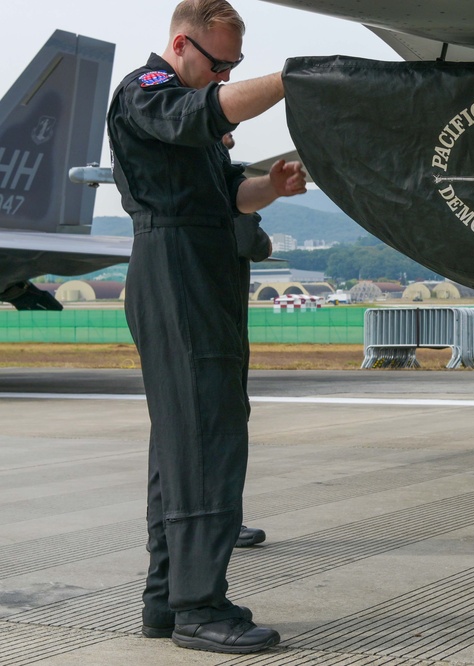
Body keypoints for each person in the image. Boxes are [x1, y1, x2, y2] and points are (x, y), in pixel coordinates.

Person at [107, 0, 306, 654]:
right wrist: (291, 80)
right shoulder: (148, 92)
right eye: (219, 64)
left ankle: (166, 599)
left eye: (235, 67)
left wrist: (269, 187)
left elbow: (229, 195)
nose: (223, 78)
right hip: (174, 265)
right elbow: (209, 111)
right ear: (181, 45)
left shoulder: (187, 117)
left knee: (181, 440)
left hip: (201, 260)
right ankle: (200, 606)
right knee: (204, 437)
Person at [223, 131, 272, 551]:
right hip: (221, 320)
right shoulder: (222, 182)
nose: (234, 138)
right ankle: (224, 519)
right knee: (227, 421)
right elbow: (253, 244)